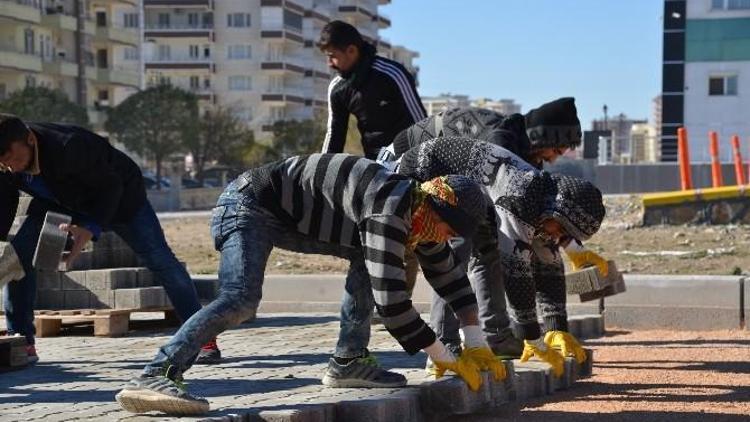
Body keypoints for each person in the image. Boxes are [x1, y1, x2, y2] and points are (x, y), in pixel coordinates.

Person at [116, 153, 507, 415]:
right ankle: (157, 372)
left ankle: (348, 362)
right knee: (241, 299)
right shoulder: (391, 211)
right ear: (433, 207)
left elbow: (450, 278)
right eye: (446, 229)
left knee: (364, 259)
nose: (442, 239)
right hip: (247, 204)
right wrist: (446, 358)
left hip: (289, 216)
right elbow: (393, 306)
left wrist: (475, 341)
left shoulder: (419, 217)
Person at [385, 98, 608, 360]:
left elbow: (542, 245)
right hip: (407, 164)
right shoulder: (503, 149)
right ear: (543, 137)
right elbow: (517, 264)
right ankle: (447, 343)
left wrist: (556, 325)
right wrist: (533, 335)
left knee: (489, 249)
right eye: (556, 151)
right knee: (455, 249)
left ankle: (497, 338)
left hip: (461, 186)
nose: (553, 159)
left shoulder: (531, 171)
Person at [0, 114, 220, 364]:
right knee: (16, 258)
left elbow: (110, 187)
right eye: (5, 165)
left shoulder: (70, 145)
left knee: (159, 259)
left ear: (30, 139)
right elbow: (4, 201)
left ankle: (201, 337)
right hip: (58, 205)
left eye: (15, 160)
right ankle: (22, 341)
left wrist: (89, 228)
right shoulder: (5, 162)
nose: (12, 168)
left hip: (121, 199)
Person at [317, 20, 426, 159]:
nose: (329, 63)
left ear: (351, 51)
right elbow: (334, 136)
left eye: (332, 57)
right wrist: (322, 171)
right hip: (375, 166)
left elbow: (421, 123)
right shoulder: (337, 88)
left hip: (409, 159)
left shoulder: (393, 74)